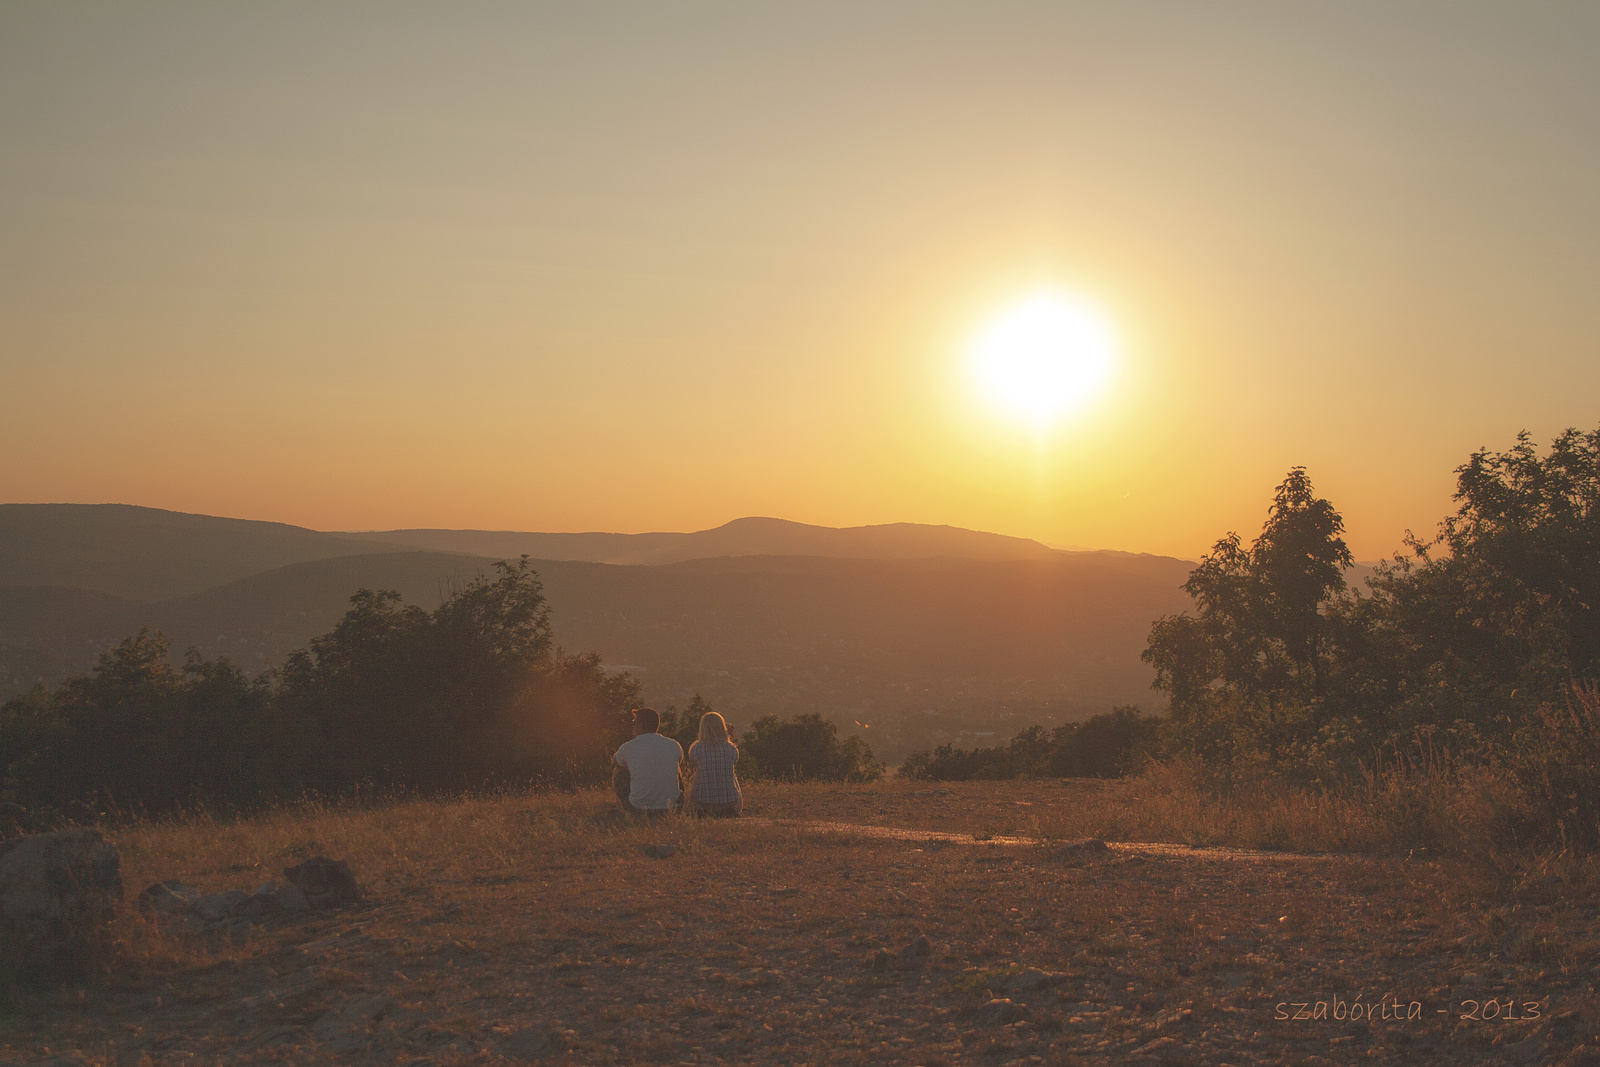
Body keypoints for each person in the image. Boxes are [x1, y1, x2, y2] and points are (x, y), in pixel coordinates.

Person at [613, 707, 683, 817]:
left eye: (634, 722)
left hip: (639, 808)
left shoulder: (628, 747)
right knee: (676, 768)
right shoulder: (674, 745)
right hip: (672, 808)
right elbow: (680, 760)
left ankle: (630, 804)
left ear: (640, 725)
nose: (632, 726)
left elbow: (616, 762)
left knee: (618, 771)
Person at [686, 711, 742, 817]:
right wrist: (727, 735)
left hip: (702, 802)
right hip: (730, 802)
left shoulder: (696, 748)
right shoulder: (731, 749)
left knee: (697, 774)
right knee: (731, 774)